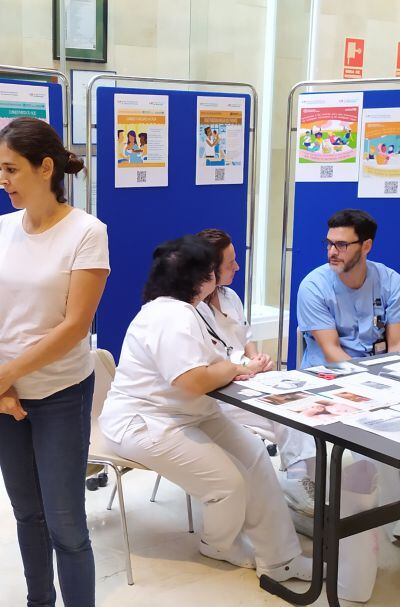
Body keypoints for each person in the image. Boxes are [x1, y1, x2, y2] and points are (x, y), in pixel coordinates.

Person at [99, 236, 312, 583]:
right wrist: (237, 368)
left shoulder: (180, 309)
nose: (227, 272)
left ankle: (281, 558)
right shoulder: (172, 315)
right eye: (215, 270)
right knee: (229, 484)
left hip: (192, 412)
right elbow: (193, 380)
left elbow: (208, 366)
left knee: (256, 456)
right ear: (201, 279)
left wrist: (237, 367)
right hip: (148, 422)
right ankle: (218, 543)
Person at [0, 116, 110, 607]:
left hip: (59, 393)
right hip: (4, 392)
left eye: (11, 169)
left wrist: (8, 373)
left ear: (45, 167)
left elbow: (76, 325)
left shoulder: (86, 232)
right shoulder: (0, 228)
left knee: (66, 524)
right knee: (26, 514)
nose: (1, 181)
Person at [295, 208, 400, 569]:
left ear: (366, 245)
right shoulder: (314, 286)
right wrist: (372, 395)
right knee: (378, 443)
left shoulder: (390, 282)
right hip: (329, 384)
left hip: (382, 379)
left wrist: (397, 389)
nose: (332, 252)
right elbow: (332, 353)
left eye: (341, 244)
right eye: (329, 244)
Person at [192, 228, 318, 524]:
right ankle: (297, 487)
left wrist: (256, 360)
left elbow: (244, 342)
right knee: (286, 413)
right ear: (210, 269)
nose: (237, 267)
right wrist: (243, 368)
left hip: (247, 380)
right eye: (230, 263)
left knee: (302, 409)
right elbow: (209, 364)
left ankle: (301, 485)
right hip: (219, 393)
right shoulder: (191, 309)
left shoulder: (231, 297)